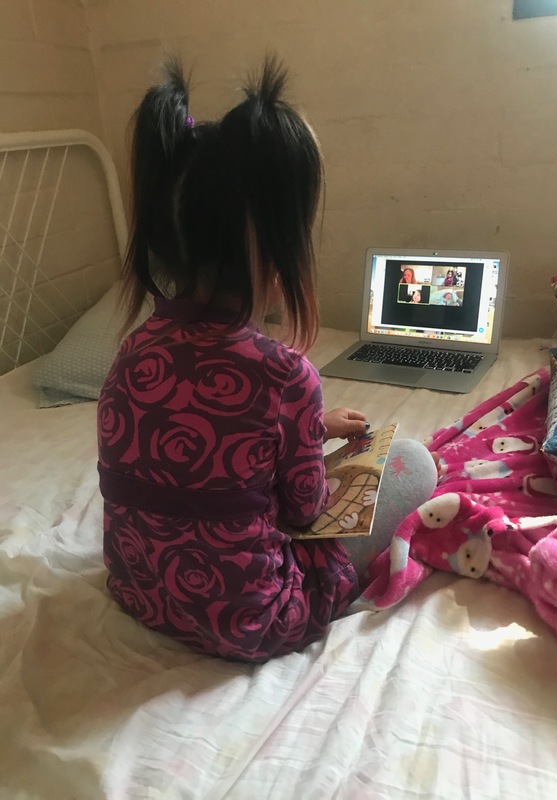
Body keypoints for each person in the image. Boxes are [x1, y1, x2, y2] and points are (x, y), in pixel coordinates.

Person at [97, 56, 437, 663]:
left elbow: (198, 430)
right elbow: (304, 511)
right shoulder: (284, 373)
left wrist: (309, 428)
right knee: (413, 459)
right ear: (272, 253)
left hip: (138, 589)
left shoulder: (133, 350)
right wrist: (309, 437)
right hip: (256, 619)